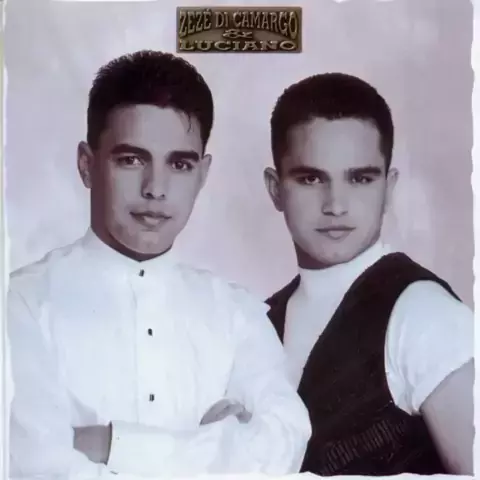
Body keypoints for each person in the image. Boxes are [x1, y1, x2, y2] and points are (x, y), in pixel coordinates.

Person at [7, 50, 311, 479]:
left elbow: (284, 446)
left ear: (202, 175)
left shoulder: (237, 314)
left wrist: (110, 443)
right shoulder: (20, 305)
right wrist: (217, 449)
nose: (155, 189)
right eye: (132, 160)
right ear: (87, 165)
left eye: (180, 164)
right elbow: (34, 467)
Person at [263, 72, 474, 476]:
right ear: (275, 188)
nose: (336, 205)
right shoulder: (259, 320)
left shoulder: (422, 313)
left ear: (388, 187)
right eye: (311, 179)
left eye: (360, 178)